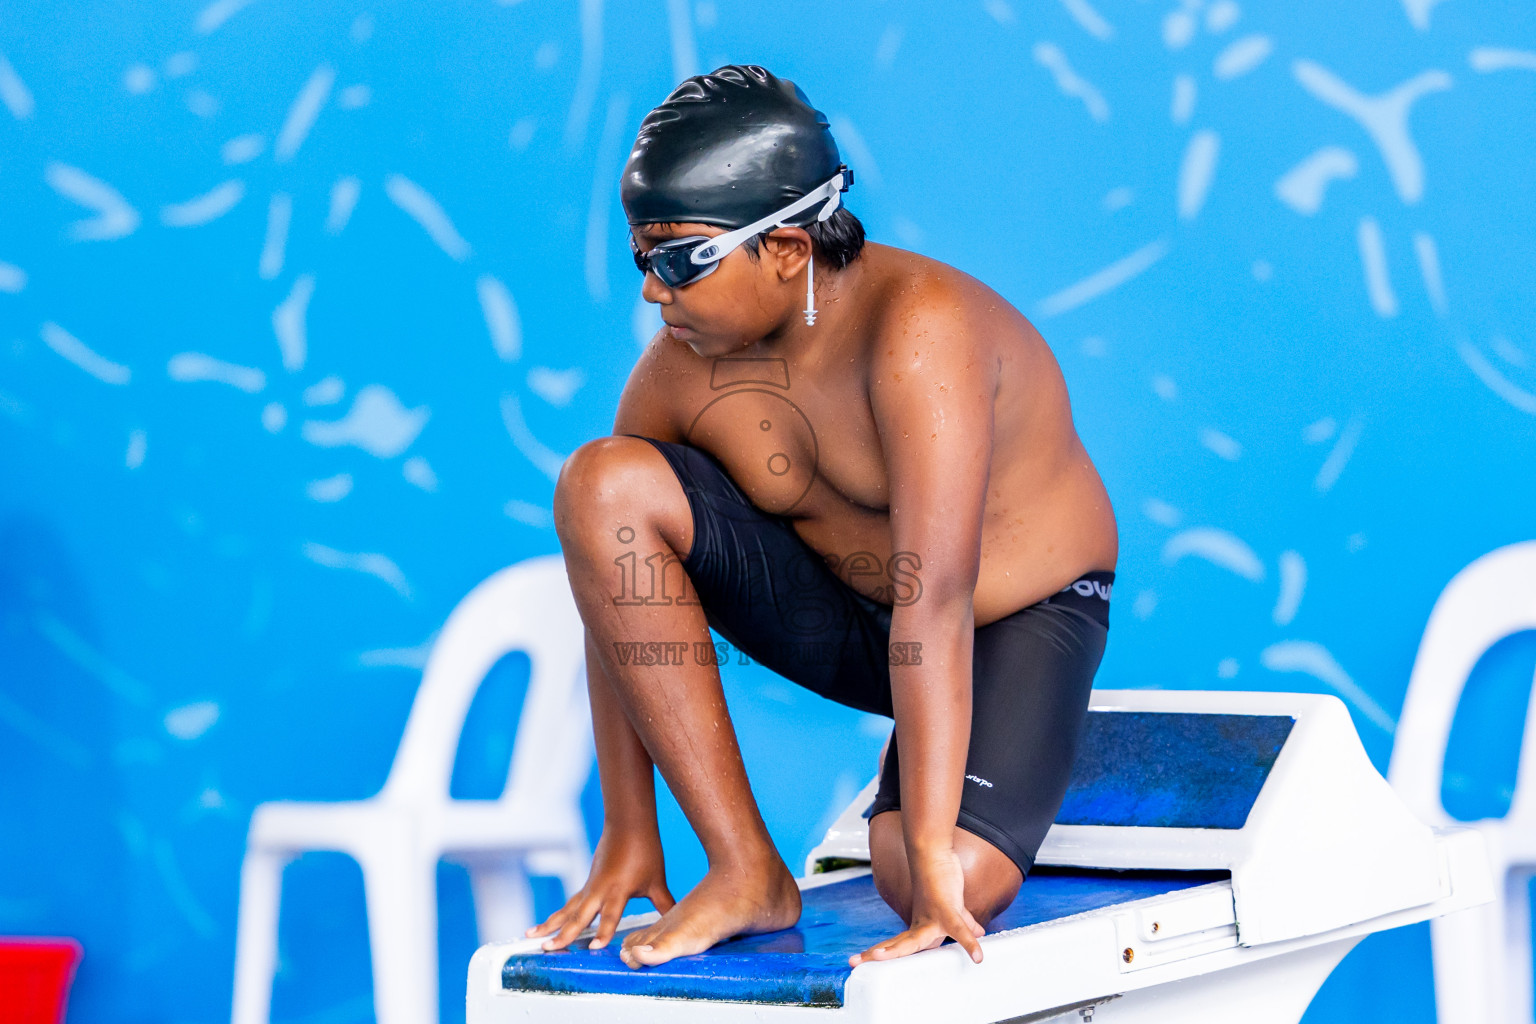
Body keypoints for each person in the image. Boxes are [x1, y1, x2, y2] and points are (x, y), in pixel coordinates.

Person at [527, 64, 1118, 970]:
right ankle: (743, 869)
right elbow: (612, 592)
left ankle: (958, 800)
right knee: (602, 484)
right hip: (852, 622)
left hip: (1007, 618)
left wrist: (925, 841)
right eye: (642, 257)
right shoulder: (680, 369)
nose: (653, 291)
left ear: (789, 250)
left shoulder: (918, 334)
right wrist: (627, 831)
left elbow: (937, 599)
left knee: (925, 882)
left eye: (683, 260)